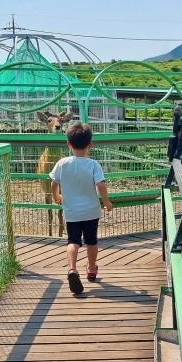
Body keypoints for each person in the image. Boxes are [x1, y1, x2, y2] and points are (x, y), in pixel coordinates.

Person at [49, 121, 113, 294]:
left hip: (71, 211)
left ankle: (72, 268)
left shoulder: (62, 163)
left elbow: (54, 183)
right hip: (91, 210)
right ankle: (91, 269)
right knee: (91, 241)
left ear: (68, 144)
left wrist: (56, 196)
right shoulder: (93, 165)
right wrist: (106, 202)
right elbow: (100, 185)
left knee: (73, 241)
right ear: (90, 145)